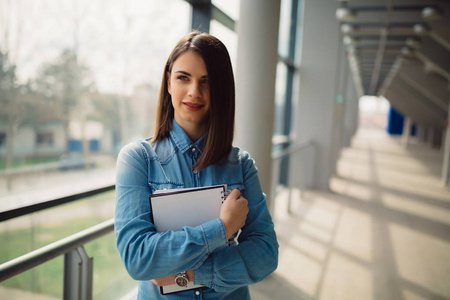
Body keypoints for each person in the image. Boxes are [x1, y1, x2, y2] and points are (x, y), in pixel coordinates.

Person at [115, 31, 278, 299]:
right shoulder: (137, 159)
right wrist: (222, 229)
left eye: (207, 81)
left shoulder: (241, 165)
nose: (194, 92)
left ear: (221, 89)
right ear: (168, 82)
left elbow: (266, 253)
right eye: (183, 78)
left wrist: (189, 277)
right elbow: (138, 258)